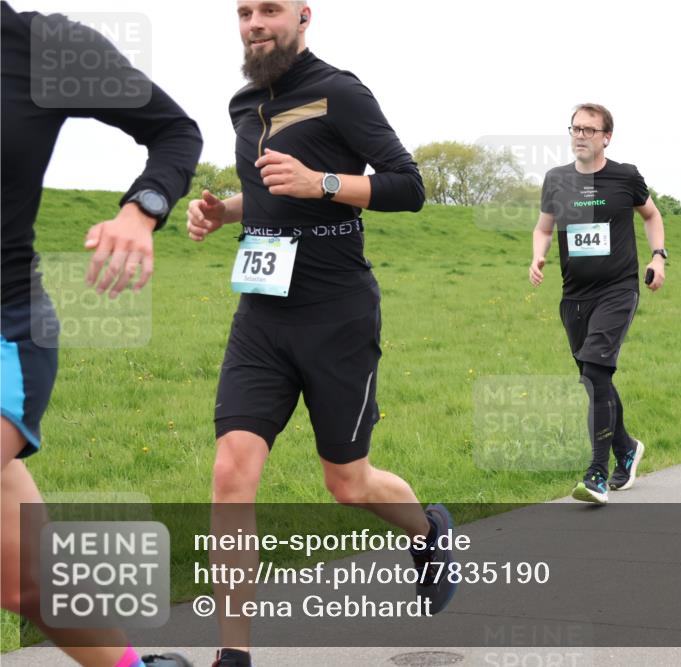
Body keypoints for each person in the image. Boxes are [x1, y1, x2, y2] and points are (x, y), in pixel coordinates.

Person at [186, 3, 456, 664]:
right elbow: (274, 194)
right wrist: (227, 212)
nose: (255, 22)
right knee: (232, 469)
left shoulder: (340, 91)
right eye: (244, 11)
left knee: (347, 482)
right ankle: (234, 654)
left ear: (304, 16)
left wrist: (324, 182)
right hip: (262, 311)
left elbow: (409, 187)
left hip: (337, 314)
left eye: (269, 9)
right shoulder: (243, 104)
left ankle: (429, 528)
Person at [1, 3, 202, 665]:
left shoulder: (45, 47)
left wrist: (142, 209)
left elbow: (175, 131)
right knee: (29, 583)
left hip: (6, 333)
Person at [528, 103, 665, 504]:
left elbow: (652, 215)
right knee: (594, 379)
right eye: (575, 128)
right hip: (574, 297)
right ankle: (626, 447)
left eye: (590, 129)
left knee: (595, 371)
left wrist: (659, 256)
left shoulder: (625, 177)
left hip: (618, 290)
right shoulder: (556, 180)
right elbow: (543, 227)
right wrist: (538, 254)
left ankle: (596, 474)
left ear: (607, 136)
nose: (581, 135)